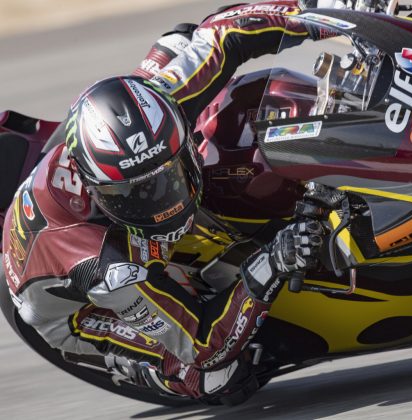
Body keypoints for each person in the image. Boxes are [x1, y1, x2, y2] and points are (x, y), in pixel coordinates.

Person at [2, 0, 361, 404]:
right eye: (135, 195)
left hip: (95, 187)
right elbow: (205, 343)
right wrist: (274, 262)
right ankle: (151, 371)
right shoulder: (104, 266)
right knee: (215, 375)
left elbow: (225, 34)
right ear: (96, 188)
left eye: (169, 177)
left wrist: (329, 13)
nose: (163, 204)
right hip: (77, 309)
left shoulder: (160, 105)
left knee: (182, 39)